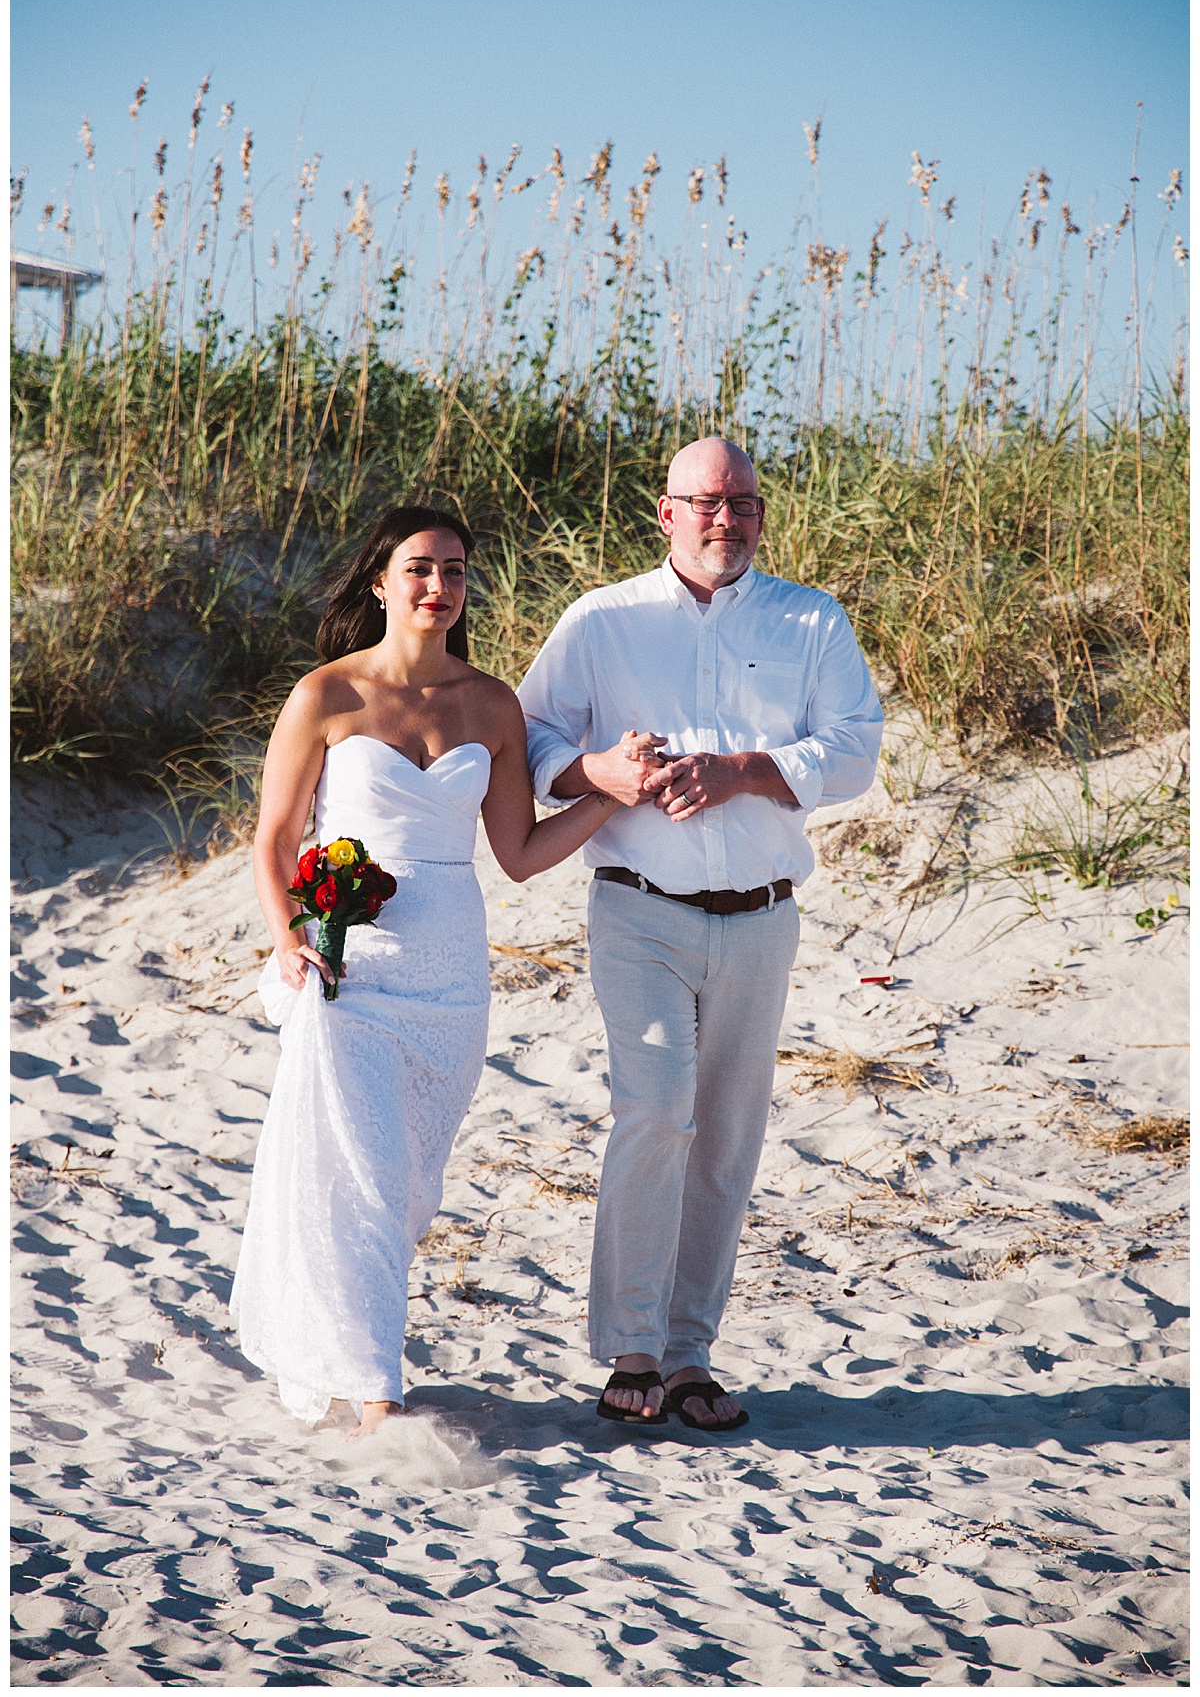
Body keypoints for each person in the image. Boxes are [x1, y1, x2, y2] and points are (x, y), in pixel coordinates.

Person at [230, 503, 650, 1434]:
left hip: (452, 973)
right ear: (380, 582)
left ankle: (354, 1345)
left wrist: (611, 797)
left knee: (409, 1181)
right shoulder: (325, 697)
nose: (439, 587)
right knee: (367, 1175)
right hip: (353, 965)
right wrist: (289, 936)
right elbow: (273, 837)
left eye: (455, 571)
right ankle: (380, 1388)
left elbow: (521, 851)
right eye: (420, 568)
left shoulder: (491, 704)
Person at [518, 437, 883, 1432]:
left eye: (745, 503)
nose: (728, 520)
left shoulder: (811, 617)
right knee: (656, 1111)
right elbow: (529, 735)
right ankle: (631, 1345)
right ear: (666, 511)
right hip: (639, 906)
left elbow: (855, 747)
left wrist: (743, 770)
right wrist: (603, 772)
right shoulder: (603, 620)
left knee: (726, 1136)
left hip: (763, 917)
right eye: (707, 502)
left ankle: (688, 1355)